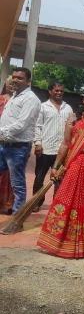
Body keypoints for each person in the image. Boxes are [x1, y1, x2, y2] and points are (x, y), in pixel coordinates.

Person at [36, 91, 84, 259]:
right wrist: (56, 165)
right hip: (75, 165)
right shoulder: (73, 120)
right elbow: (65, 144)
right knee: (67, 201)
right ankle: (58, 241)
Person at [0, 68, 41, 215]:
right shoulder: (14, 96)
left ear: (28, 81)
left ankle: (18, 218)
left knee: (17, 184)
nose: (16, 80)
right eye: (14, 77)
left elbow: (21, 124)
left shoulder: (30, 99)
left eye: (20, 78)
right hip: (4, 145)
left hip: (17, 148)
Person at [32, 81, 73, 211]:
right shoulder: (43, 107)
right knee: (39, 177)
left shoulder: (68, 108)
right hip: (45, 148)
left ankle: (57, 202)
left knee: (60, 178)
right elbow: (37, 126)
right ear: (50, 91)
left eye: (61, 91)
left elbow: (73, 127)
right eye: (56, 90)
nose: (59, 93)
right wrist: (38, 143)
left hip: (62, 150)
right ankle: (36, 202)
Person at [0, 77, 15, 213]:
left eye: (15, 84)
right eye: (10, 84)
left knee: (11, 173)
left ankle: (9, 204)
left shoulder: (19, 102)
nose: (12, 86)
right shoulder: (0, 99)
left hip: (14, 142)